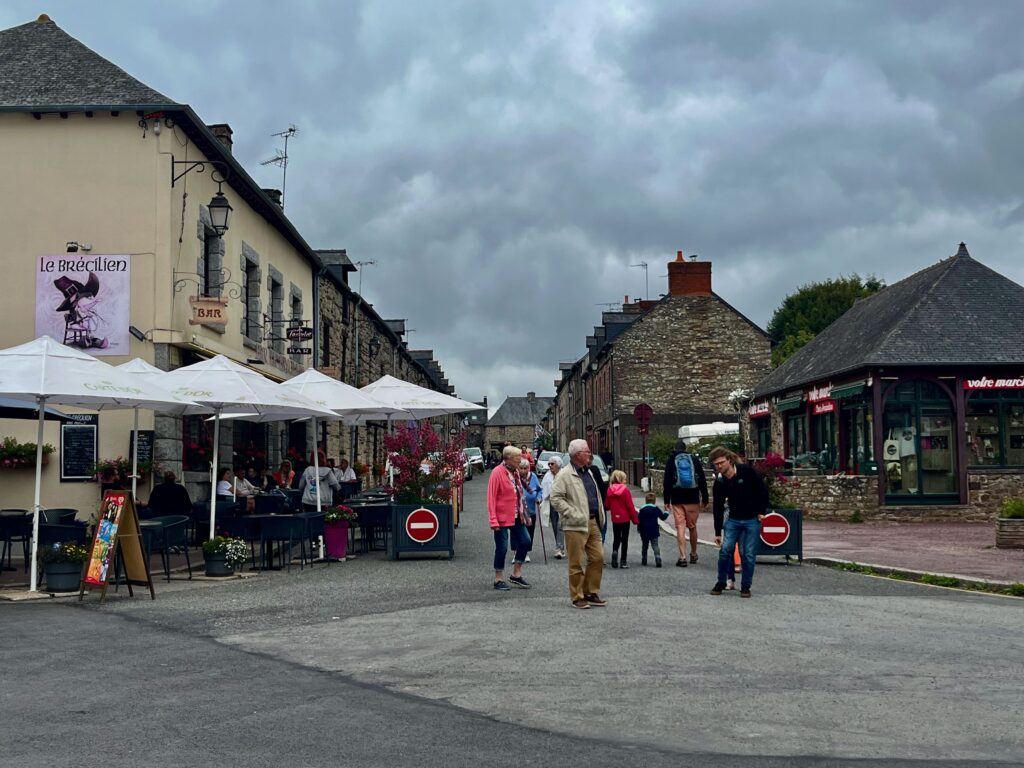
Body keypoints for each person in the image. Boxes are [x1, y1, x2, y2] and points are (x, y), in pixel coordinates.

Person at [550, 439, 607, 609]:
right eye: (587, 451)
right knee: (576, 562)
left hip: (593, 521)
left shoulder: (588, 472)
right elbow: (555, 498)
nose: (590, 454)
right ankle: (577, 596)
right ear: (577, 455)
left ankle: (590, 591)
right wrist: (572, 513)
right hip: (575, 524)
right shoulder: (564, 475)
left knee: (598, 557)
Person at [709, 446, 768, 598]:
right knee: (725, 551)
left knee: (747, 554)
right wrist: (717, 531)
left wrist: (761, 511)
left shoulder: (746, 471)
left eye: (721, 462)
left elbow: (761, 490)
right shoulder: (720, 482)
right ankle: (721, 581)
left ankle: (746, 586)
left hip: (751, 520)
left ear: (728, 460)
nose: (719, 466)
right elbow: (717, 507)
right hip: (733, 520)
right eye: (716, 464)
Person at [486, 445, 532, 590]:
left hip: (517, 515)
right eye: (518, 458)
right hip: (501, 517)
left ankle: (516, 574)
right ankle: (498, 578)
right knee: (502, 547)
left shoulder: (515, 472)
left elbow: (520, 491)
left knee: (525, 541)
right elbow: (491, 498)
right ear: (509, 459)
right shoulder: (497, 473)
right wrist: (493, 520)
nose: (521, 460)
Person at [663, 438, 709, 567]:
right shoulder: (693, 459)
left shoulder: (672, 460)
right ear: (685, 449)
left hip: (677, 498)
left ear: (675, 449)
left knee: (680, 527)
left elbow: (667, 481)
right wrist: (704, 497)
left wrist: (667, 500)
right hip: (693, 497)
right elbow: (702, 479)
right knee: (692, 527)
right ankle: (693, 554)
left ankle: (682, 557)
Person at [605, 469, 639, 568]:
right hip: (625, 518)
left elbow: (607, 504)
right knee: (624, 539)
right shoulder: (625, 490)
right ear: (621, 479)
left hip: (615, 518)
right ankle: (623, 561)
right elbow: (630, 506)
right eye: (624, 479)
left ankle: (615, 551)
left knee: (616, 538)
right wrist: (635, 520)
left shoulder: (609, 490)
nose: (625, 481)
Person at [540, 454, 565, 558]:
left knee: (561, 526)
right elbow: (543, 489)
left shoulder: (564, 475)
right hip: (551, 504)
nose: (550, 466)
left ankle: (559, 548)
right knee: (555, 526)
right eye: (549, 464)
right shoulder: (547, 476)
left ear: (558, 465)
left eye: (552, 464)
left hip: (563, 503)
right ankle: (560, 547)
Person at [637, 491, 669, 567]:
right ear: (654, 501)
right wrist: (666, 511)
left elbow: (639, 520)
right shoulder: (656, 509)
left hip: (644, 531)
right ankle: (657, 557)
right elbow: (663, 517)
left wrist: (639, 529)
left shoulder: (642, 509)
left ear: (646, 500)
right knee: (655, 545)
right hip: (654, 530)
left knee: (645, 545)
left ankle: (644, 559)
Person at [518, 458, 542, 562]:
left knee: (529, 532)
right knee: (517, 531)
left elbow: (539, 490)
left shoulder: (533, 477)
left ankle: (526, 552)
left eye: (525, 468)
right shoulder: (516, 477)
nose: (523, 470)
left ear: (528, 468)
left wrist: (538, 498)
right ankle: (517, 552)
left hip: (531, 509)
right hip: (518, 509)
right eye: (521, 468)